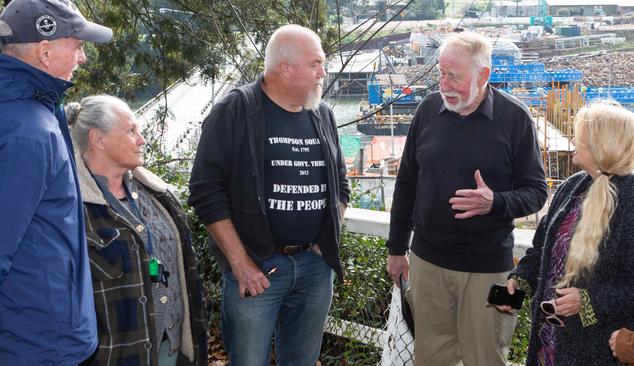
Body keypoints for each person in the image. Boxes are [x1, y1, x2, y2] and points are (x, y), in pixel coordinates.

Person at [187, 24, 349, 366]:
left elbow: (341, 184)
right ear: (285, 68)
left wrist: (325, 242)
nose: (323, 72)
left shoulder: (323, 115)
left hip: (315, 268)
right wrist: (240, 263)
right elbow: (205, 192)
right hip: (258, 270)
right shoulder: (234, 111)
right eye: (316, 63)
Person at [385, 31, 548, 366]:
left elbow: (537, 192)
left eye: (454, 77)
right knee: (429, 358)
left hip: (490, 268)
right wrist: (396, 248)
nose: (444, 85)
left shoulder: (516, 118)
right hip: (427, 263)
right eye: (441, 74)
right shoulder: (428, 110)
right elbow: (406, 184)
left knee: (488, 357)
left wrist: (496, 202)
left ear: (484, 75)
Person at [0, 0, 112, 364]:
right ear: (45, 51)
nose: (82, 58)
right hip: (34, 346)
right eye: (78, 45)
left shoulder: (35, 110)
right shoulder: (26, 131)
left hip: (44, 335)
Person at [66, 95, 209, 366]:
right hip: (115, 356)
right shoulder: (69, 206)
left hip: (172, 348)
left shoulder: (157, 195)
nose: (142, 139)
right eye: (131, 131)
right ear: (98, 139)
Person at [500, 101, 634, 365]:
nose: (573, 139)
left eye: (580, 136)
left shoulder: (630, 199)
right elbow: (541, 249)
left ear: (599, 145)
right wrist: (519, 282)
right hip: (548, 343)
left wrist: (589, 301)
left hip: (598, 350)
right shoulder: (572, 187)